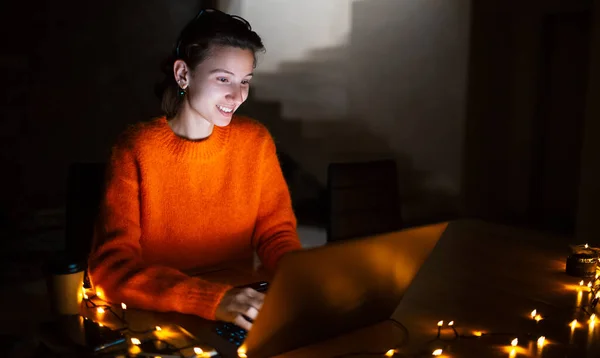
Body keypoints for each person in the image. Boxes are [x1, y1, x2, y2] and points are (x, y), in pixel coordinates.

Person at [88, 8, 302, 331]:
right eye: (223, 79)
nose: (237, 95)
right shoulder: (135, 149)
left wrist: (302, 282)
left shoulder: (255, 142)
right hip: (157, 320)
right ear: (183, 75)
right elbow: (110, 268)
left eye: (245, 81)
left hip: (240, 312)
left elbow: (277, 235)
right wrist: (211, 300)